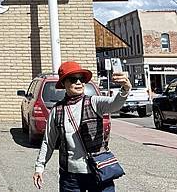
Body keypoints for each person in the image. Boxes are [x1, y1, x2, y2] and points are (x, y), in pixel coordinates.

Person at [32, 61, 131, 191]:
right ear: (64, 83)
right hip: (70, 177)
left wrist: (125, 89)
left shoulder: (94, 102)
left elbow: (114, 104)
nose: (79, 82)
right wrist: (39, 167)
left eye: (81, 79)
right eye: (73, 79)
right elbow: (48, 142)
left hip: (98, 170)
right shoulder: (57, 110)